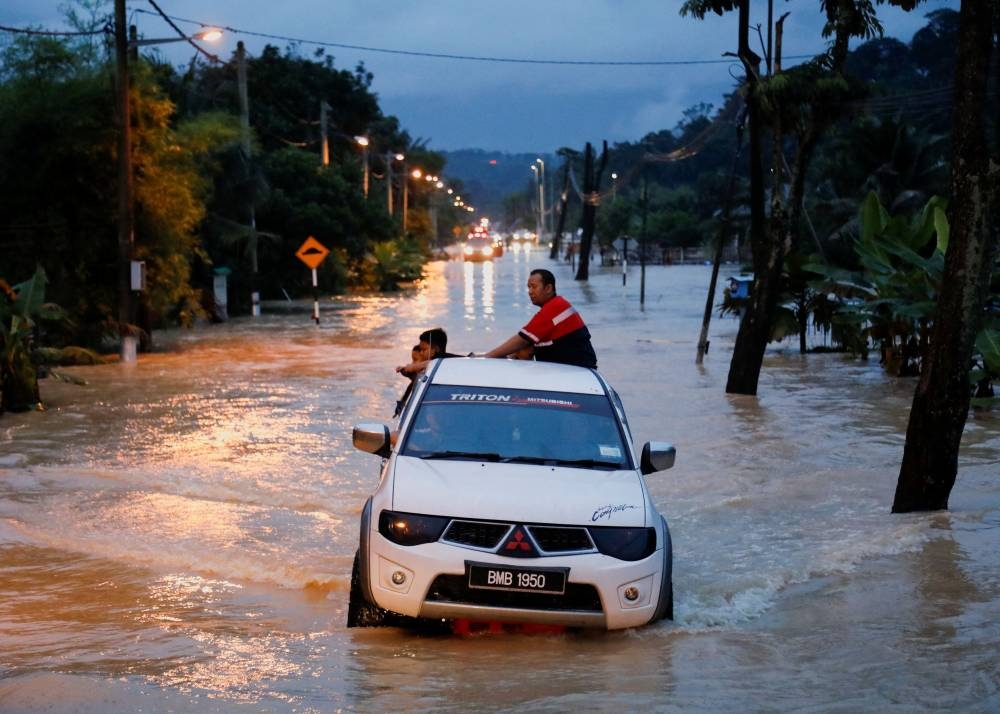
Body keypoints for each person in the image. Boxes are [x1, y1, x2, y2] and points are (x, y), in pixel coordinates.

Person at [482, 268, 597, 368]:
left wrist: (488, 357)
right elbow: (527, 343)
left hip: (578, 370)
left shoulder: (555, 307)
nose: (530, 292)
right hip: (574, 368)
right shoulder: (557, 306)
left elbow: (522, 339)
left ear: (548, 288)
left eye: (534, 287)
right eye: (528, 287)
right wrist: (508, 356)